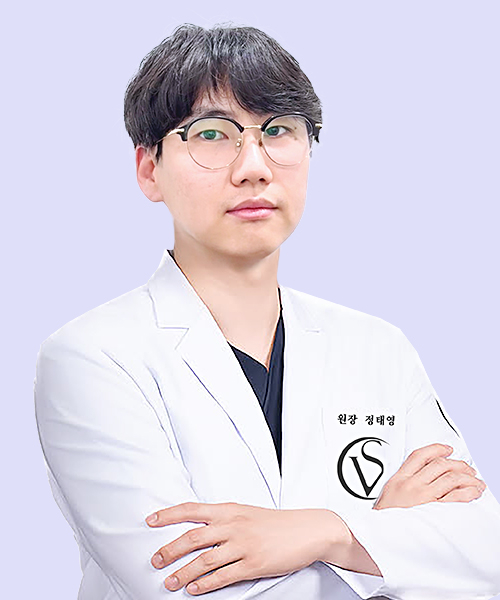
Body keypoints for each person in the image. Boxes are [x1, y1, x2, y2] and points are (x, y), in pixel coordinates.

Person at [34, 23, 500, 600]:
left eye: (278, 130)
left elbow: (484, 557)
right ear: (149, 170)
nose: (254, 166)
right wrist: (383, 539)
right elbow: (182, 588)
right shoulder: (92, 357)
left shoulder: (378, 347)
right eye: (211, 134)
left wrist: (326, 531)